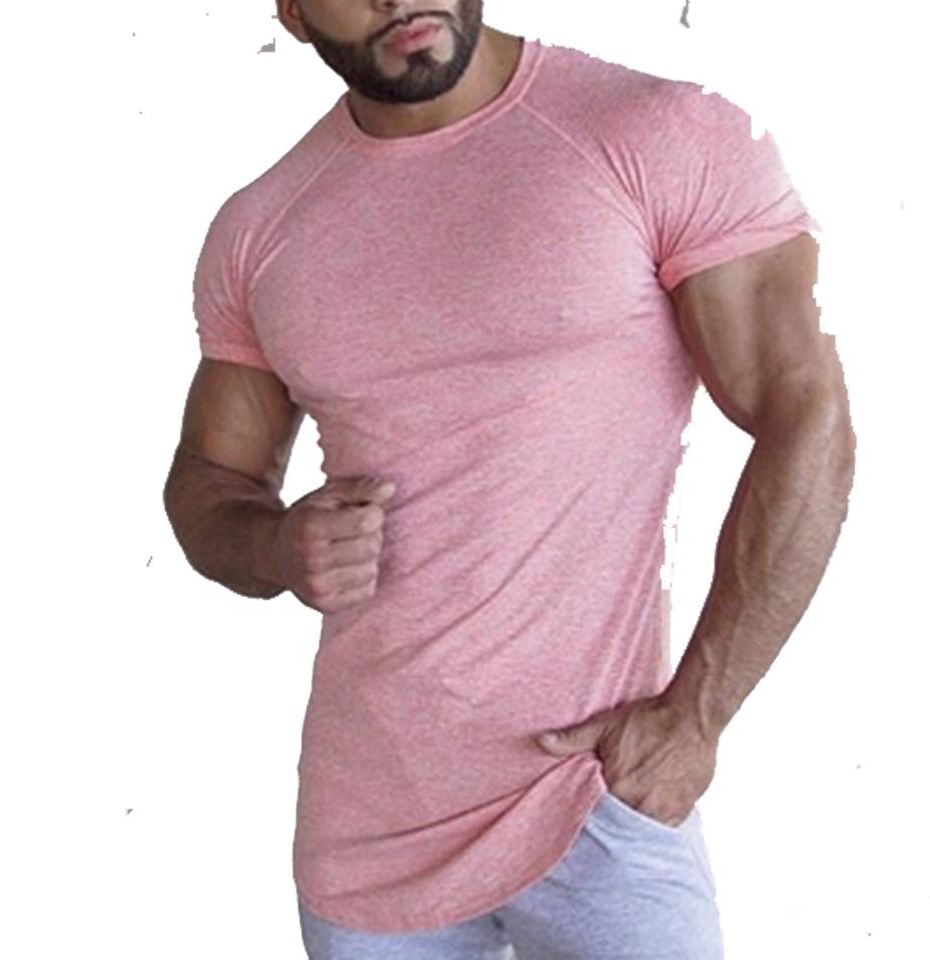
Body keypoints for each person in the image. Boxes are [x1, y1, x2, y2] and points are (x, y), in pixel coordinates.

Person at [163, 2, 855, 957]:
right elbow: (209, 479)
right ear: (291, 12)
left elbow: (806, 416)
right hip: (367, 838)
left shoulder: (656, 135)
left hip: (597, 802)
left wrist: (697, 716)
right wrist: (275, 545)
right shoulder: (262, 226)